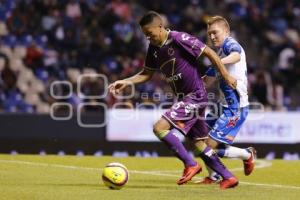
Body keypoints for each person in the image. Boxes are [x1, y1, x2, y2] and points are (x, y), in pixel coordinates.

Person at [109, 11, 238, 189]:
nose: (148, 37)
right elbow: (146, 74)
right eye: (145, 34)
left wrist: (226, 75)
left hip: (195, 96)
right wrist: (126, 81)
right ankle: (228, 177)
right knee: (200, 144)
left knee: (159, 128)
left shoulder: (178, 38)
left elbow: (209, 53)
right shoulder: (153, 49)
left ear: (160, 27)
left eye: (150, 33)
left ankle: (191, 164)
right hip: (186, 98)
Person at [200, 15, 257, 184]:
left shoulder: (230, 44)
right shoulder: (217, 53)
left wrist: (217, 62)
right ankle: (213, 176)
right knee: (199, 139)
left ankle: (247, 155)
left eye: (215, 32)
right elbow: (205, 81)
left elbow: (236, 55)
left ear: (226, 31)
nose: (211, 37)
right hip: (221, 106)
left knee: (208, 146)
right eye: (209, 34)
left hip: (235, 108)